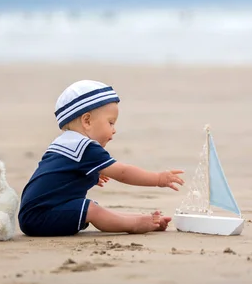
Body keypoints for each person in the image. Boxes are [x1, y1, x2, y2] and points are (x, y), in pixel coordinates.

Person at [18, 80, 185, 236]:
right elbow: (123, 172)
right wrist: (158, 178)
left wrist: (87, 175)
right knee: (91, 209)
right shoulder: (85, 147)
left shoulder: (65, 143)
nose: (114, 130)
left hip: (37, 214)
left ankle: (141, 218)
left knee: (91, 208)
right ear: (87, 121)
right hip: (41, 217)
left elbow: (56, 177)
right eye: (111, 123)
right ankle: (134, 224)